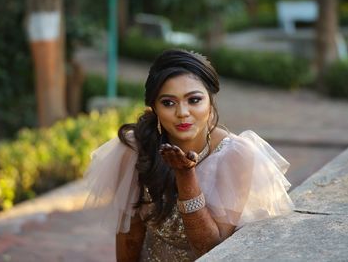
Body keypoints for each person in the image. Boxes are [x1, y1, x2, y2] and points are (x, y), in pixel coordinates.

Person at [84, 49, 294, 261]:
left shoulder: (236, 155)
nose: (182, 112)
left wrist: (186, 176)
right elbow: (130, 237)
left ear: (210, 102)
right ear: (154, 108)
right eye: (168, 102)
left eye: (194, 100)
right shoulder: (137, 149)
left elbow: (210, 249)